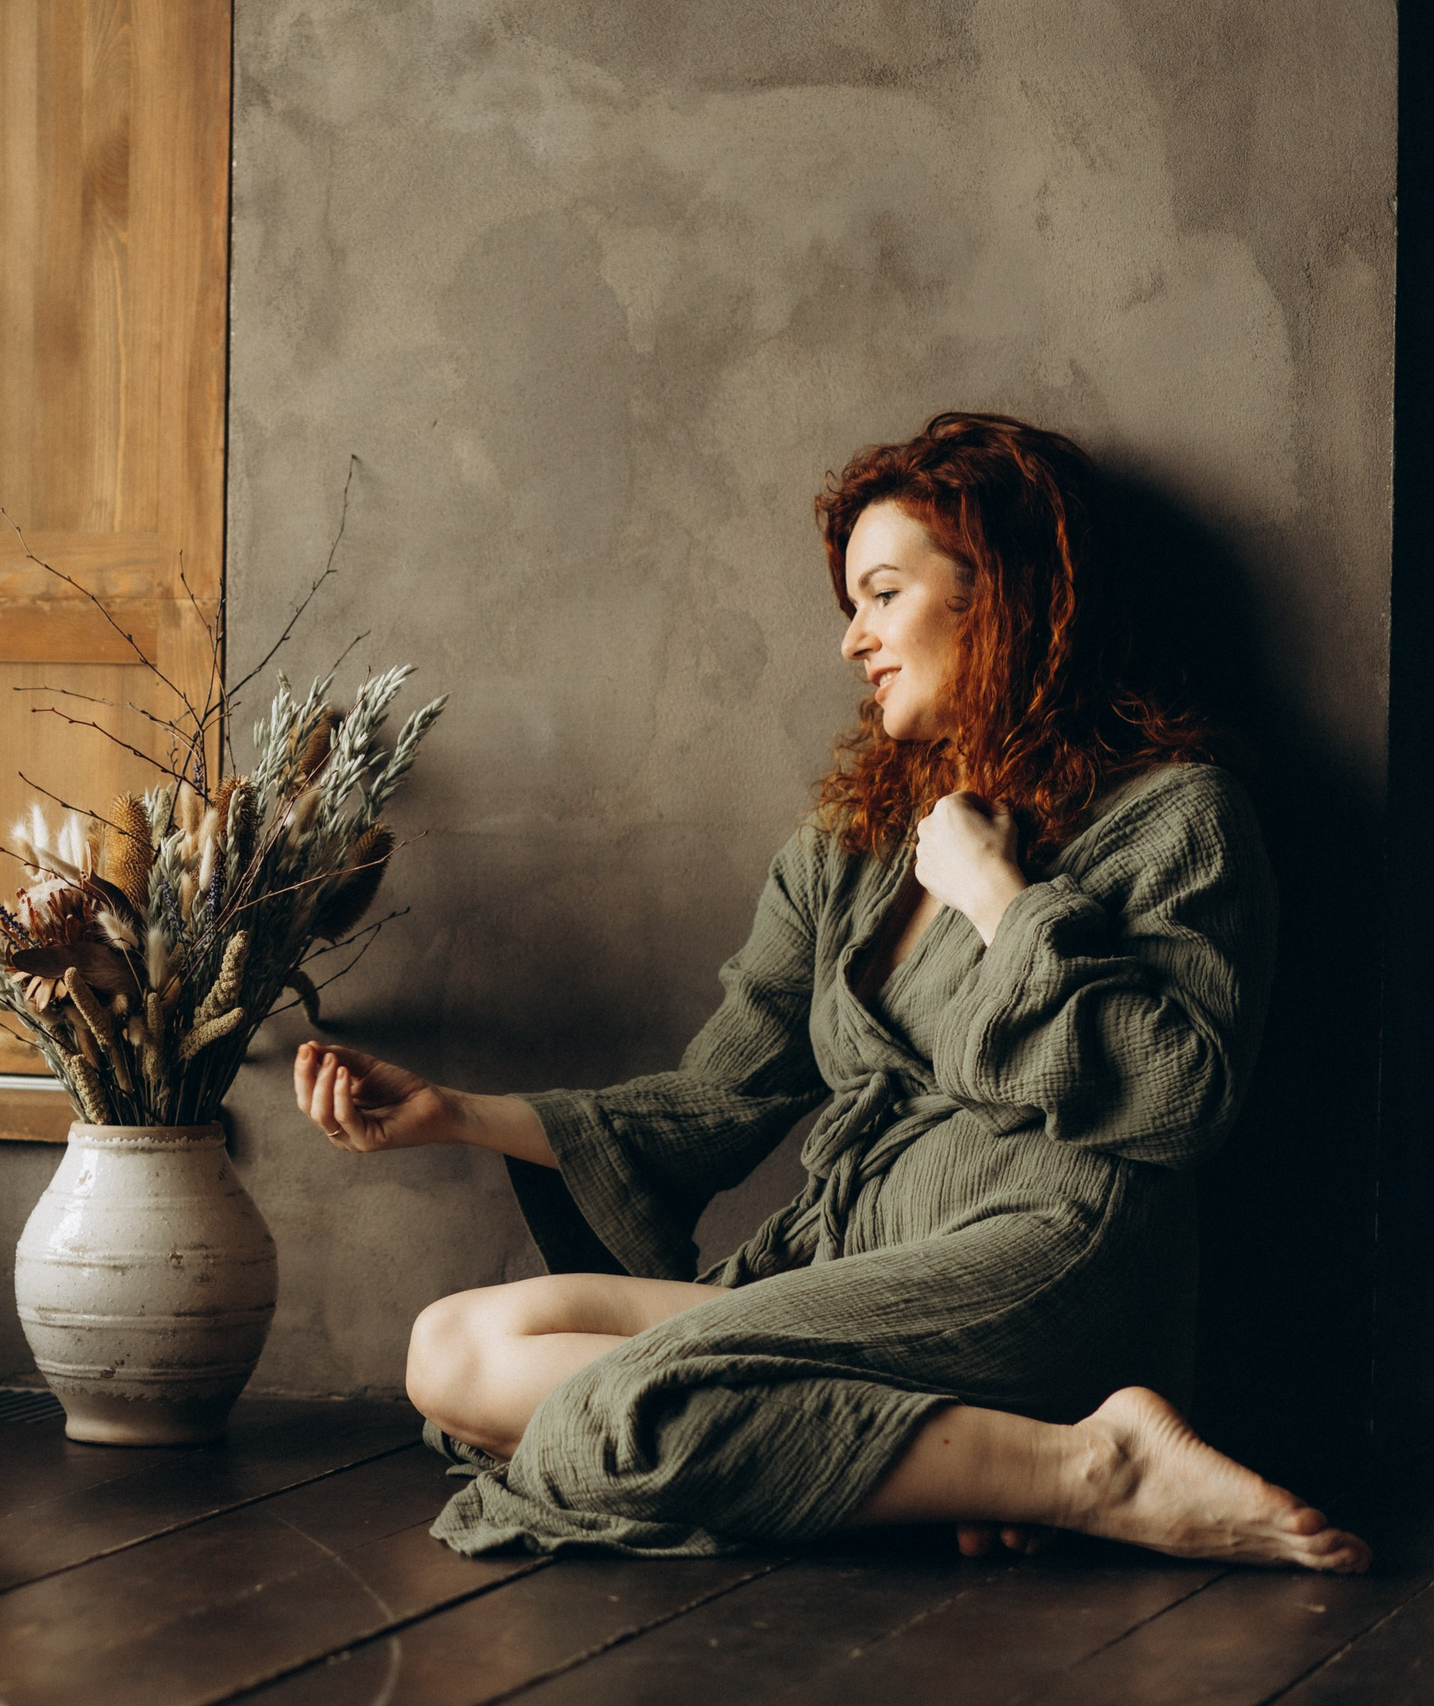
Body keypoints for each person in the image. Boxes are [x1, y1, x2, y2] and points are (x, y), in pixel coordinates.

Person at [292, 412, 1369, 1572]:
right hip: (853, 1256)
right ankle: (964, 1461)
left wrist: (1000, 895)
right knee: (450, 1352)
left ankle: (1093, 1468)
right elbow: (718, 1095)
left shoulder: (1176, 818)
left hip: (1043, 1256)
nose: (852, 639)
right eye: (849, 603)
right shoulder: (846, 845)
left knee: (610, 1419)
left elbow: (1181, 1096)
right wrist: (454, 1111)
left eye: (883, 593)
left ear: (997, 597)